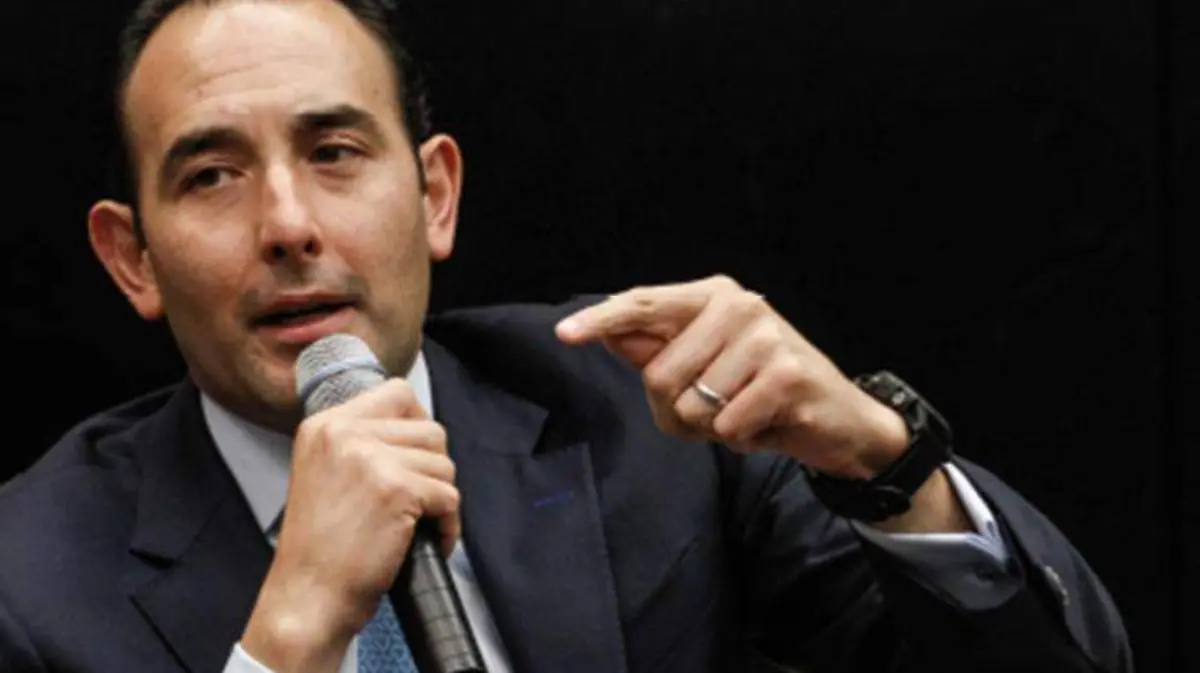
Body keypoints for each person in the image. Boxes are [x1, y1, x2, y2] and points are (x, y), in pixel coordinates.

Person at [0, 0, 1131, 671]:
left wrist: (884, 461)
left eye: (335, 153)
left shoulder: (638, 416)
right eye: (211, 174)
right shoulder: (28, 580)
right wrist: (290, 637)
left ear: (435, 197)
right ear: (132, 257)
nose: (289, 225)